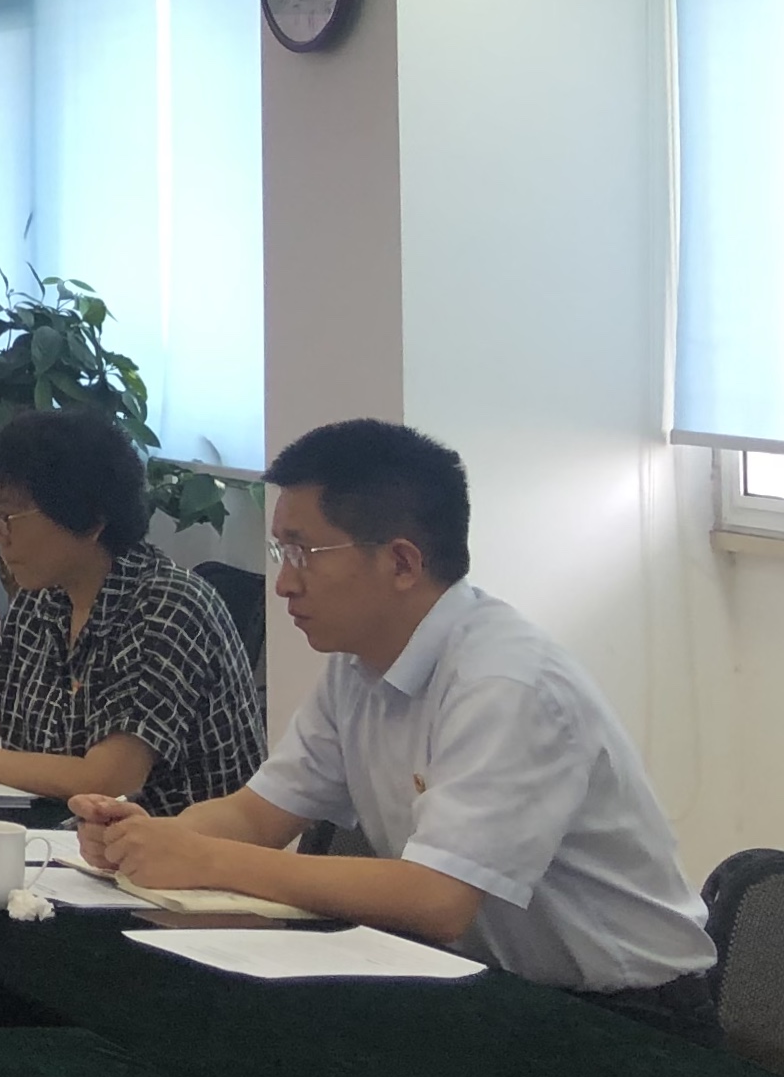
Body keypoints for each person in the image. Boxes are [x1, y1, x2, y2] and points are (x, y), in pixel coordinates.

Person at [78, 419, 720, 1038]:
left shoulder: (507, 682)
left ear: (403, 562)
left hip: (628, 1017)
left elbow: (436, 900)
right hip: (477, 985)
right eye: (281, 552)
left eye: (303, 552)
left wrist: (209, 859)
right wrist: (146, 839)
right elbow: (256, 816)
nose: (284, 583)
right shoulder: (356, 666)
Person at [0, 408, 261, 812]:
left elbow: (108, 780)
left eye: (9, 516)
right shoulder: (43, 596)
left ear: (90, 520)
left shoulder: (167, 609)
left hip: (167, 844)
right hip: (56, 834)